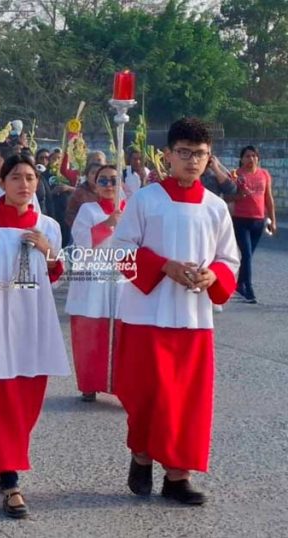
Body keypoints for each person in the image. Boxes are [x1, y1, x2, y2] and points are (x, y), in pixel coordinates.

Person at [112, 118, 240, 505]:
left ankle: (177, 476)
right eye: (183, 153)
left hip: (193, 319)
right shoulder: (146, 200)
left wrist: (210, 277)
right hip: (145, 315)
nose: (192, 160)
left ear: (208, 158)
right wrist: (165, 267)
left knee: (187, 401)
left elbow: (229, 260)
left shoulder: (216, 207)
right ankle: (141, 453)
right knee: (146, 396)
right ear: (167, 156)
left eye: (199, 154)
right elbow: (121, 251)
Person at [0, 154, 69, 519]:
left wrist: (49, 252)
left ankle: (8, 457)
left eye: (30, 177)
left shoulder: (48, 226)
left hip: (35, 319)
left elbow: (55, 272)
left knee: (28, 393)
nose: (24, 184)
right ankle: (10, 478)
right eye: (16, 178)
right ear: (2, 183)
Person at [65, 165, 125, 402]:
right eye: (103, 181)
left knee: (122, 334)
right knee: (91, 333)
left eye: (114, 180)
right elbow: (81, 243)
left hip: (121, 278)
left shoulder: (131, 209)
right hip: (92, 278)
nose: (109, 186)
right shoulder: (88, 210)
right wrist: (108, 223)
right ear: (95, 184)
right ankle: (89, 383)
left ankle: (122, 385)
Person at [231, 146, 276, 304]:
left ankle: (238, 285)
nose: (251, 159)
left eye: (254, 156)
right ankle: (248, 289)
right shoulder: (236, 174)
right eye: (247, 156)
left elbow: (268, 198)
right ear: (241, 159)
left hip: (259, 220)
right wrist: (238, 195)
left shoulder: (264, 174)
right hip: (240, 220)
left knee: (248, 257)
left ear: (258, 158)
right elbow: (228, 196)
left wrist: (272, 220)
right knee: (247, 255)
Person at [64, 162, 102, 230]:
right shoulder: (79, 193)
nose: (96, 176)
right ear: (87, 176)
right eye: (93, 173)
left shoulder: (108, 192)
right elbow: (70, 215)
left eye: (99, 173)